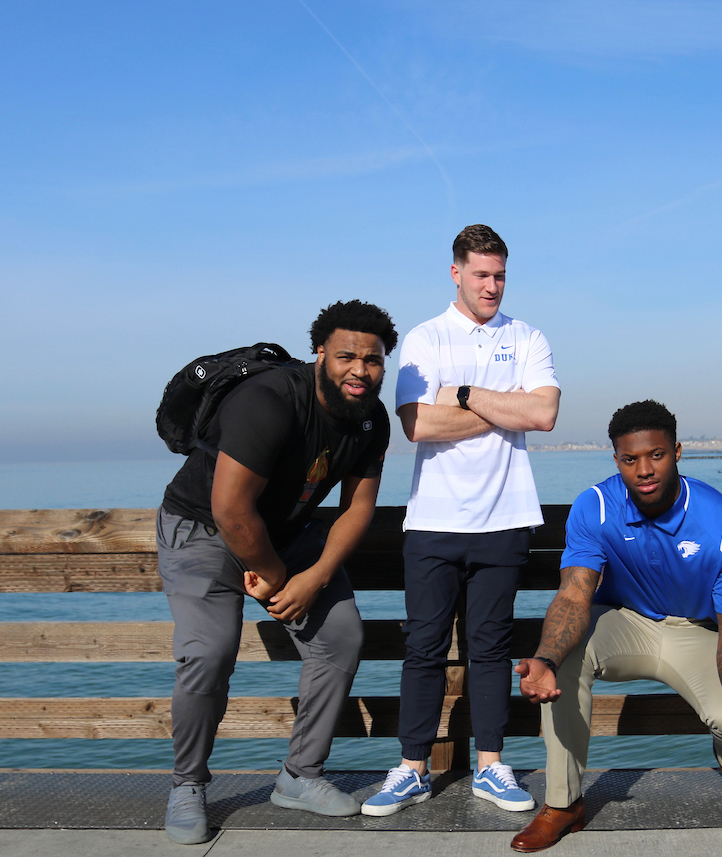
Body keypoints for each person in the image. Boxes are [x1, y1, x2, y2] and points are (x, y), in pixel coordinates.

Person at [156, 300, 398, 844]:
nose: (360, 370)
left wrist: (312, 578)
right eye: (346, 356)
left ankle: (299, 776)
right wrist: (273, 575)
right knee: (209, 650)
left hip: (287, 536)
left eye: (374, 360)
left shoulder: (371, 419)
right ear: (319, 355)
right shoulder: (267, 401)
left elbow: (357, 507)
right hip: (204, 530)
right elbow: (231, 510)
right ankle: (187, 785)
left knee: (340, 636)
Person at [509, 400, 722, 852]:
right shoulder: (595, 506)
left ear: (676, 451)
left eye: (655, 455)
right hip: (625, 624)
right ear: (616, 459)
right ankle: (564, 803)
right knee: (564, 658)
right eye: (630, 459)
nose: (644, 469)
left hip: (698, 631)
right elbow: (576, 594)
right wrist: (544, 658)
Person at [364, 224, 560, 817]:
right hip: (433, 521)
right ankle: (412, 768)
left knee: (490, 648)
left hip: (506, 517)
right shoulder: (425, 338)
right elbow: (418, 425)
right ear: (456, 273)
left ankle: (491, 766)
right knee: (423, 647)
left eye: (500, 275)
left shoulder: (528, 336)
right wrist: (503, 406)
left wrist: (466, 394)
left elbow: (545, 413)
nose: (492, 285)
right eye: (481, 274)